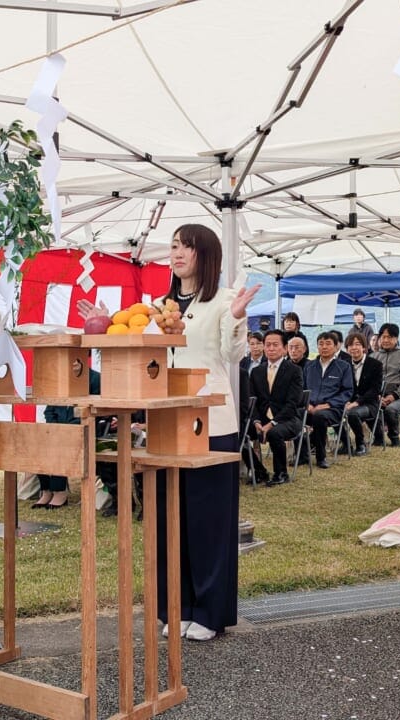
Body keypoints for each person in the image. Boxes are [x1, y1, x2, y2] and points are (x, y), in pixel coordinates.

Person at [79, 223, 259, 643]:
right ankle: (173, 606)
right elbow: (143, 358)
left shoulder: (223, 300)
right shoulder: (157, 304)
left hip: (209, 421)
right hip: (165, 419)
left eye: (187, 246)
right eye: (175, 245)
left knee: (206, 520)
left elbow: (233, 355)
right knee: (167, 519)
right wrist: (101, 328)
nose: (177, 253)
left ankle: (210, 611)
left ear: (206, 253)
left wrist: (236, 320)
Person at [245, 329, 305, 487]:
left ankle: (281, 473)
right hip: (262, 418)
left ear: (285, 348)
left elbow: (293, 404)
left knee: (274, 432)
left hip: (288, 419)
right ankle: (258, 470)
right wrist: (257, 421)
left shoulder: (294, 371)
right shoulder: (256, 372)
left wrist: (272, 423)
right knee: (240, 432)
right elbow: (253, 401)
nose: (271, 348)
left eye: (275, 345)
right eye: (268, 345)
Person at [36, 369, 102, 509]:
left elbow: (97, 412)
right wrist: (55, 427)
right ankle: (46, 490)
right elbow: (49, 410)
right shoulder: (61, 380)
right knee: (37, 444)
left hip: (83, 430)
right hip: (59, 430)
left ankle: (59, 491)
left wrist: (67, 429)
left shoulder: (95, 379)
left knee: (60, 445)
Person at [301, 331, 353, 469]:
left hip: (333, 409)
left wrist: (328, 404)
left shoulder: (344, 367)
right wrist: (307, 404)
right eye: (321, 344)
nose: (324, 347)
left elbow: (347, 392)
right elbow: (302, 389)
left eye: (328, 343)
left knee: (319, 417)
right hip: (310, 407)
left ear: (336, 347)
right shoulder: (309, 366)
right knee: (293, 414)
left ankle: (320, 457)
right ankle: (302, 454)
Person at [372, 322, 400, 447]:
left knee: (390, 409)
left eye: (389, 337)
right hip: (378, 395)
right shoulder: (374, 356)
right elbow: (370, 380)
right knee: (371, 408)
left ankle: (394, 437)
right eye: (383, 337)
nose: (385, 340)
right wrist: (377, 396)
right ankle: (378, 437)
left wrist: (394, 395)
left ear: (396, 338)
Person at [342, 333, 382, 456]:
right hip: (350, 402)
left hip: (369, 403)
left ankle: (360, 444)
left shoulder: (375, 364)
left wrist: (356, 403)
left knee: (352, 414)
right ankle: (345, 443)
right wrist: (346, 400)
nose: (354, 348)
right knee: (333, 412)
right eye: (350, 345)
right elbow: (342, 387)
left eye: (357, 344)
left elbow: (374, 390)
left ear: (364, 347)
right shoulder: (344, 364)